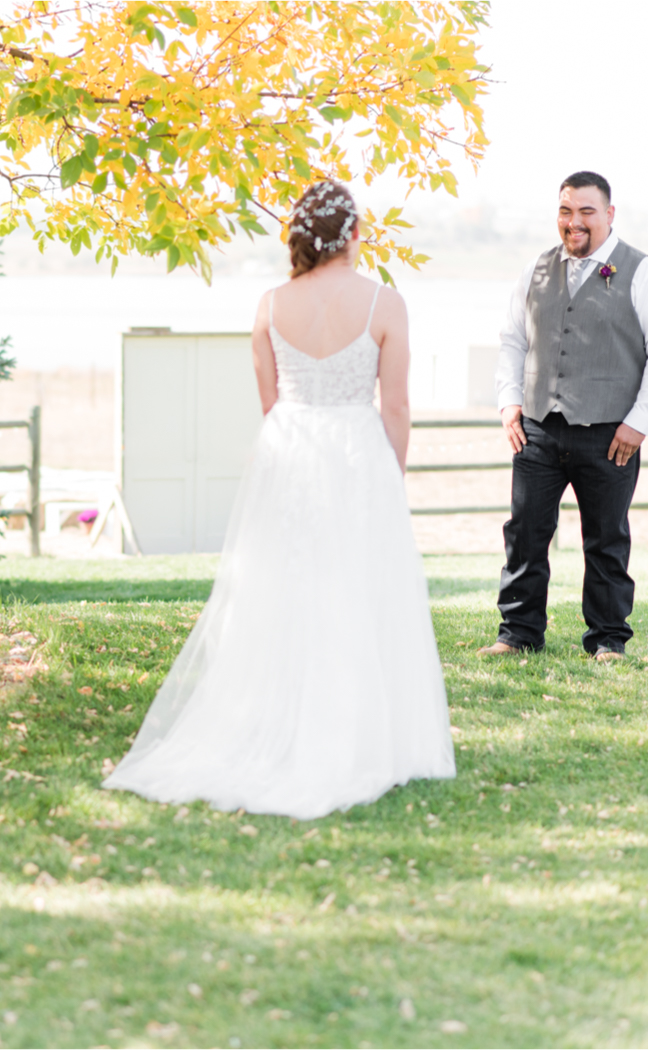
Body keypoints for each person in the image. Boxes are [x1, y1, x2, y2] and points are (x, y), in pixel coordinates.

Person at [103, 181, 455, 821]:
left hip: (289, 453)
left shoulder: (269, 304)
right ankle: (358, 733)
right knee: (356, 586)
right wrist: (390, 473)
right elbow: (396, 406)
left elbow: (271, 404)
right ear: (353, 235)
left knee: (283, 589)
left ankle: (273, 721)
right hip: (356, 451)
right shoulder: (386, 303)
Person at [478, 171, 648, 662]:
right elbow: (512, 340)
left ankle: (608, 638)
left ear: (609, 215)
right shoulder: (536, 271)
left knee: (606, 539)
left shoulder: (643, 272)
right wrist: (509, 403)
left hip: (610, 434)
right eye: (566, 211)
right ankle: (519, 632)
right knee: (526, 533)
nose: (575, 222)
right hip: (538, 429)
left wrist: (639, 422)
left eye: (586, 211)